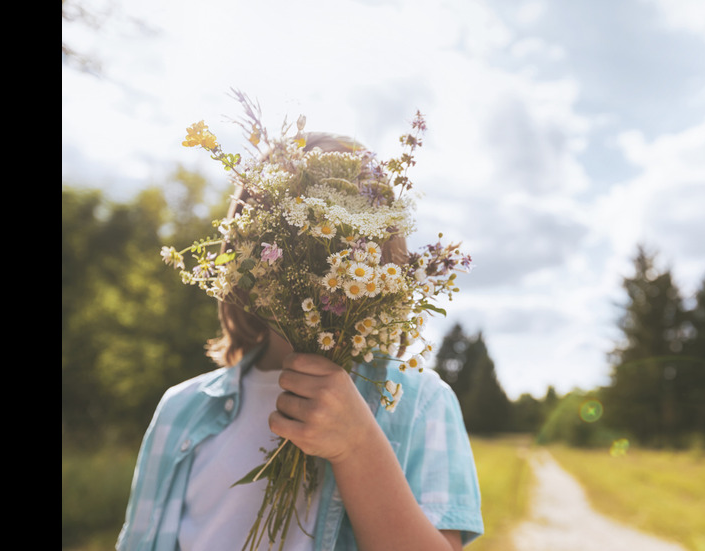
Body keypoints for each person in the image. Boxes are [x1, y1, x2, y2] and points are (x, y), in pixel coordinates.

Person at [117, 133, 484, 550]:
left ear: (381, 255)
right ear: (241, 251)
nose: (313, 252)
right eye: (287, 227)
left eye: (343, 233)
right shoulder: (181, 411)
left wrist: (358, 445)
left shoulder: (418, 402)